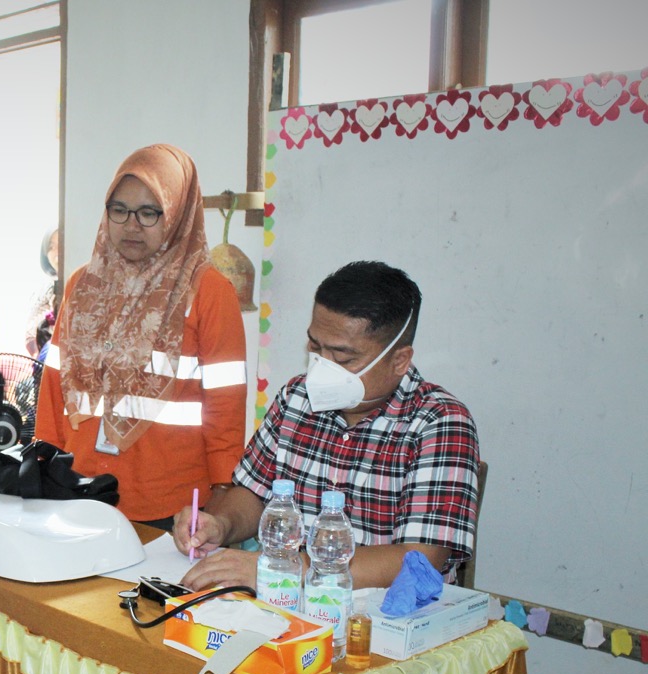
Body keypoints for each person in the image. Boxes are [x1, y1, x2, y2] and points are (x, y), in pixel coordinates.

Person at [175, 261, 481, 591]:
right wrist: (221, 524)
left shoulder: (439, 423)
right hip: (284, 606)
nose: (322, 367)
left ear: (399, 361)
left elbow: (420, 559)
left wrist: (284, 570)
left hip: (382, 622)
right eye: (316, 347)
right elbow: (253, 493)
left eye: (344, 357)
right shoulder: (297, 397)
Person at [35, 144, 248, 528]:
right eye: (119, 210)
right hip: (79, 488)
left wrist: (223, 492)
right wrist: (43, 463)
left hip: (169, 504)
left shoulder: (210, 292)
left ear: (179, 214)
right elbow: (54, 384)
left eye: (150, 212)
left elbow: (226, 405)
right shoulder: (83, 284)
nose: (131, 225)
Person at [25, 226, 61, 357]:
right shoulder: (43, 290)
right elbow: (29, 333)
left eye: (61, 244)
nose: (56, 252)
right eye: (51, 247)